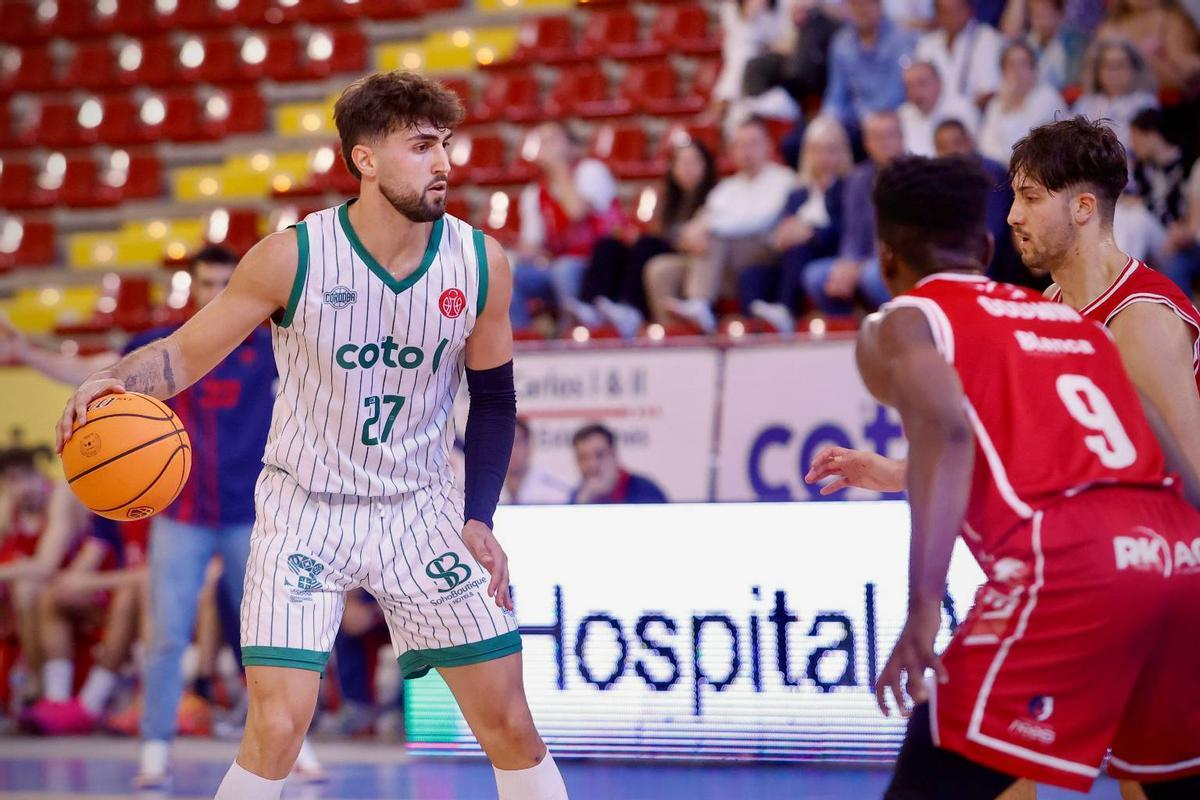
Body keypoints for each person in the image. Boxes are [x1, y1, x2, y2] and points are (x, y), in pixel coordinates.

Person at [55, 70, 567, 800]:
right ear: (365, 159)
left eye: (447, 145)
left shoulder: (482, 264)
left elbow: (493, 399)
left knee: (509, 722)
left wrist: (479, 515)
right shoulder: (290, 257)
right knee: (276, 729)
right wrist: (111, 379)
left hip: (418, 507)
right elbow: (184, 355)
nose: (445, 163)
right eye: (422, 146)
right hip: (305, 510)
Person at [810, 118, 1200, 799]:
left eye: (1031, 196)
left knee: (960, 750)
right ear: (985, 243)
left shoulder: (1137, 317)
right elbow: (1089, 450)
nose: (1016, 214)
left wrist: (923, 610)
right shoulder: (1050, 315)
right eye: (1010, 199)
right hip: (1164, 561)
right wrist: (897, 471)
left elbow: (957, 436)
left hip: (1081, 566)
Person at [0, 245, 296, 788]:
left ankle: (295, 744)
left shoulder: (268, 348)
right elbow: (89, 372)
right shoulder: (162, 349)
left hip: (250, 517)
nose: (215, 293)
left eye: (224, 283)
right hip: (180, 516)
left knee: (270, 637)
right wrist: (26, 352)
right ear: (191, 289)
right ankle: (156, 747)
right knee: (165, 635)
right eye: (206, 283)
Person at [644, 117, 796, 333]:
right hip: (718, 261)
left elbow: (760, 221)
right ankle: (674, 334)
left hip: (759, 251)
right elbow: (702, 220)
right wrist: (693, 234)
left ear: (768, 146)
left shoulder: (783, 179)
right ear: (732, 150)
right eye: (741, 145)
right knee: (660, 269)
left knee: (712, 238)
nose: (747, 152)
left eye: (753, 144)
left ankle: (700, 302)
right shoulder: (726, 187)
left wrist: (708, 229)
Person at [570, 138, 718, 339]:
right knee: (608, 245)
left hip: (692, 255)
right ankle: (592, 306)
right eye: (682, 163)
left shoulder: (717, 197)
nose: (688, 169)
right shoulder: (667, 202)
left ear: (706, 166)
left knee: (646, 245)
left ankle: (630, 308)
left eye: (694, 162)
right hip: (666, 246)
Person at [743, 115, 854, 331]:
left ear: (842, 152)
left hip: (828, 251)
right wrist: (783, 234)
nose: (823, 157)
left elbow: (849, 230)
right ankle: (753, 329)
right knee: (751, 273)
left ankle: (787, 312)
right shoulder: (798, 193)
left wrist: (811, 232)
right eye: (817, 150)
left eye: (830, 150)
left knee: (797, 249)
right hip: (790, 255)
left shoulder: (848, 188)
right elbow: (784, 224)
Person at [511, 122, 622, 332]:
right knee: (509, 278)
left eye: (552, 139)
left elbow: (577, 212)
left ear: (572, 147)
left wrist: (559, 171)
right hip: (558, 264)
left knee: (565, 269)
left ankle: (571, 334)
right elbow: (531, 244)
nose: (546, 146)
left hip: (597, 263)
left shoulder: (591, 171)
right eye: (542, 141)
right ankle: (519, 340)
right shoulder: (534, 192)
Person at [801, 110, 904, 318]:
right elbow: (853, 232)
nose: (885, 143)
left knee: (872, 276)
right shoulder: (857, 178)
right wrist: (846, 263)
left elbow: (906, 238)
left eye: (890, 136)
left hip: (901, 260)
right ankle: (852, 325)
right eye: (878, 137)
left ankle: (898, 323)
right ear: (867, 142)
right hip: (865, 259)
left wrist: (859, 266)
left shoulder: (916, 175)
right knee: (815, 276)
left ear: (901, 138)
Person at [932, 119, 1038, 289]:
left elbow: (992, 232)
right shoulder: (939, 180)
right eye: (943, 147)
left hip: (1000, 266)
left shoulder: (990, 173)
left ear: (970, 142)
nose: (952, 152)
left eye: (957, 143)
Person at [821, 0, 917, 135]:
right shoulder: (841, 41)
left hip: (891, 119)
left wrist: (869, 117)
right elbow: (836, 92)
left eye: (867, 3)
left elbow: (897, 92)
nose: (862, 10)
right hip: (854, 120)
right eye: (855, 4)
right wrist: (828, 121)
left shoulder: (901, 39)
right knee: (807, 140)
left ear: (880, 5)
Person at [976, 40, 1066, 165]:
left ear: (1033, 69)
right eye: (1011, 65)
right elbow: (985, 146)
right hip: (1003, 173)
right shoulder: (997, 103)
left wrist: (1011, 107)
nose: (1017, 71)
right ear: (1003, 71)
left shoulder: (1047, 97)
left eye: (1023, 64)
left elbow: (1027, 145)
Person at [914, 0, 1006, 107]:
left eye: (956, 10)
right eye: (944, 11)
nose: (951, 16)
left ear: (969, 10)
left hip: (976, 116)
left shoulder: (988, 39)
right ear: (937, 14)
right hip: (934, 116)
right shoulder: (927, 44)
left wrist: (962, 112)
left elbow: (990, 91)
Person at [1071, 39, 1158, 151]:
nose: (1114, 72)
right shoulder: (1086, 101)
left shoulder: (1145, 102)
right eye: (1107, 66)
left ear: (1134, 68)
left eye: (1120, 65)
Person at [1095, 0, 1200, 92]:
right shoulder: (1109, 27)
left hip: (1162, 101)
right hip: (1113, 101)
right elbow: (1095, 69)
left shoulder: (1170, 20)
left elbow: (1182, 70)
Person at [897, 61, 980, 157]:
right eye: (909, 87)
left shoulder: (963, 109)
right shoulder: (902, 114)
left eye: (922, 83)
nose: (915, 92)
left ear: (939, 82)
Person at [999, 0, 1087, 89]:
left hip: (1068, 98)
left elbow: (1079, 82)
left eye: (1048, 15)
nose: (1043, 22)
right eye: (1038, 16)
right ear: (1030, 17)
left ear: (1060, 15)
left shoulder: (1077, 42)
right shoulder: (1025, 44)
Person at [570, 424, 667, 505]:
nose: (592, 464)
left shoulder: (645, 490)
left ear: (614, 455)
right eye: (582, 457)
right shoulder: (579, 495)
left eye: (599, 455)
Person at [1128, 108, 1190, 228]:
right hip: (1150, 227)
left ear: (1152, 135)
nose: (1133, 145)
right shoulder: (1143, 168)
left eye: (1136, 139)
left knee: (1135, 217)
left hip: (1175, 231)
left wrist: (1142, 204)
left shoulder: (1185, 164)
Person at [502, 418, 572, 506]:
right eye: (504, 444)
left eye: (517, 442)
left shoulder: (557, 493)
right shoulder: (487, 491)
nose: (511, 450)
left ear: (528, 446)